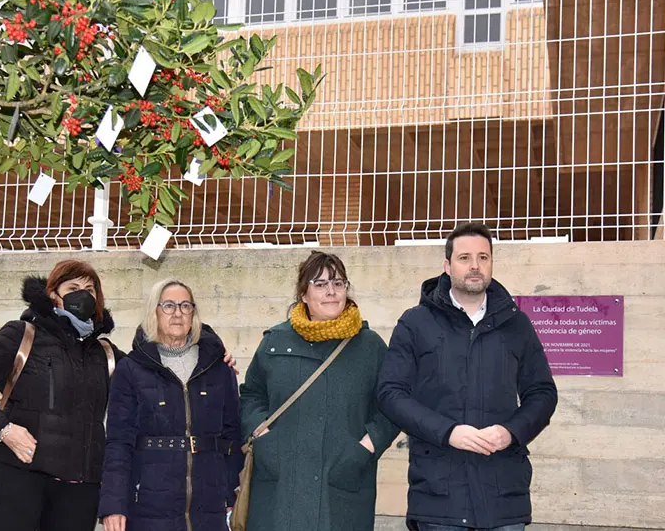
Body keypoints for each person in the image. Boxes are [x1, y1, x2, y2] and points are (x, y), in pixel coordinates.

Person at [377, 222, 558, 531]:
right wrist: (448, 432)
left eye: (483, 257)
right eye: (464, 258)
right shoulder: (415, 323)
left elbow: (542, 393)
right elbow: (390, 394)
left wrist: (510, 432)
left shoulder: (516, 325)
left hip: (503, 493)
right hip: (439, 494)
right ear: (447, 266)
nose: (475, 266)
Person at [239, 251, 399, 531]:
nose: (331, 292)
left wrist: (364, 449)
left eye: (338, 283)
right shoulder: (276, 342)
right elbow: (251, 395)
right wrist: (262, 436)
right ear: (303, 293)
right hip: (280, 483)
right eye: (320, 284)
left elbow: (393, 405)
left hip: (341, 483)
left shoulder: (370, 346)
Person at [0, 260, 124, 531]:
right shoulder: (23, 335)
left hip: (76, 493)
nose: (83, 295)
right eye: (73, 287)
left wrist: (216, 359)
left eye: (90, 289)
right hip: (14, 481)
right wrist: (2, 429)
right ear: (54, 294)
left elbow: (151, 379)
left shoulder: (105, 353)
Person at [99, 278, 244, 531]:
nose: (178, 313)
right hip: (149, 505)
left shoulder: (219, 368)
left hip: (209, 506)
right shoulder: (131, 369)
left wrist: (234, 494)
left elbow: (233, 436)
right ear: (154, 312)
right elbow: (118, 443)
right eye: (168, 306)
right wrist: (114, 504)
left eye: (185, 306)